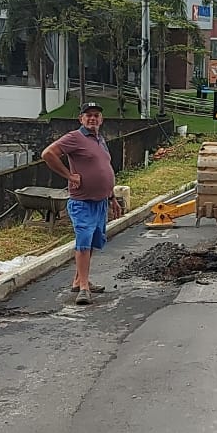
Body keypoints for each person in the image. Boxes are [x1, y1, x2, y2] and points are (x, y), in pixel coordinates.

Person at [41, 102, 123, 305]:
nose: (93, 119)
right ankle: (84, 288)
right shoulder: (74, 138)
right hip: (82, 201)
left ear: (101, 120)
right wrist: (68, 175)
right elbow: (48, 154)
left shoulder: (100, 140)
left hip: (101, 201)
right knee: (84, 241)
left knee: (93, 240)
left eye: (96, 115)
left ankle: (79, 280)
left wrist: (112, 198)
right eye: (88, 116)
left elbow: (104, 168)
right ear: (81, 119)